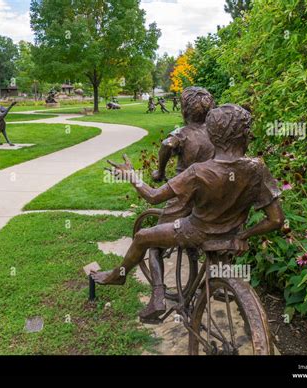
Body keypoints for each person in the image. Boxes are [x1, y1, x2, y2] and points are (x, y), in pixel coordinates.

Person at [91, 105, 285, 322]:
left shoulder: (197, 172)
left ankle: (120, 276)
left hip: (195, 231)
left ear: (212, 135)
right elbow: (276, 219)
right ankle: (218, 282)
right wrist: (243, 235)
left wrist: (132, 176)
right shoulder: (257, 168)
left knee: (143, 237)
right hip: (231, 236)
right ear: (246, 134)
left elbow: (154, 196)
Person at [139, 86, 215, 321]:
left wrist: (159, 171)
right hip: (209, 196)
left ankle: (158, 296)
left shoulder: (181, 133)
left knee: (153, 244)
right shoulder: (215, 132)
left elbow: (166, 145)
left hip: (183, 195)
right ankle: (215, 283)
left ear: (184, 110)